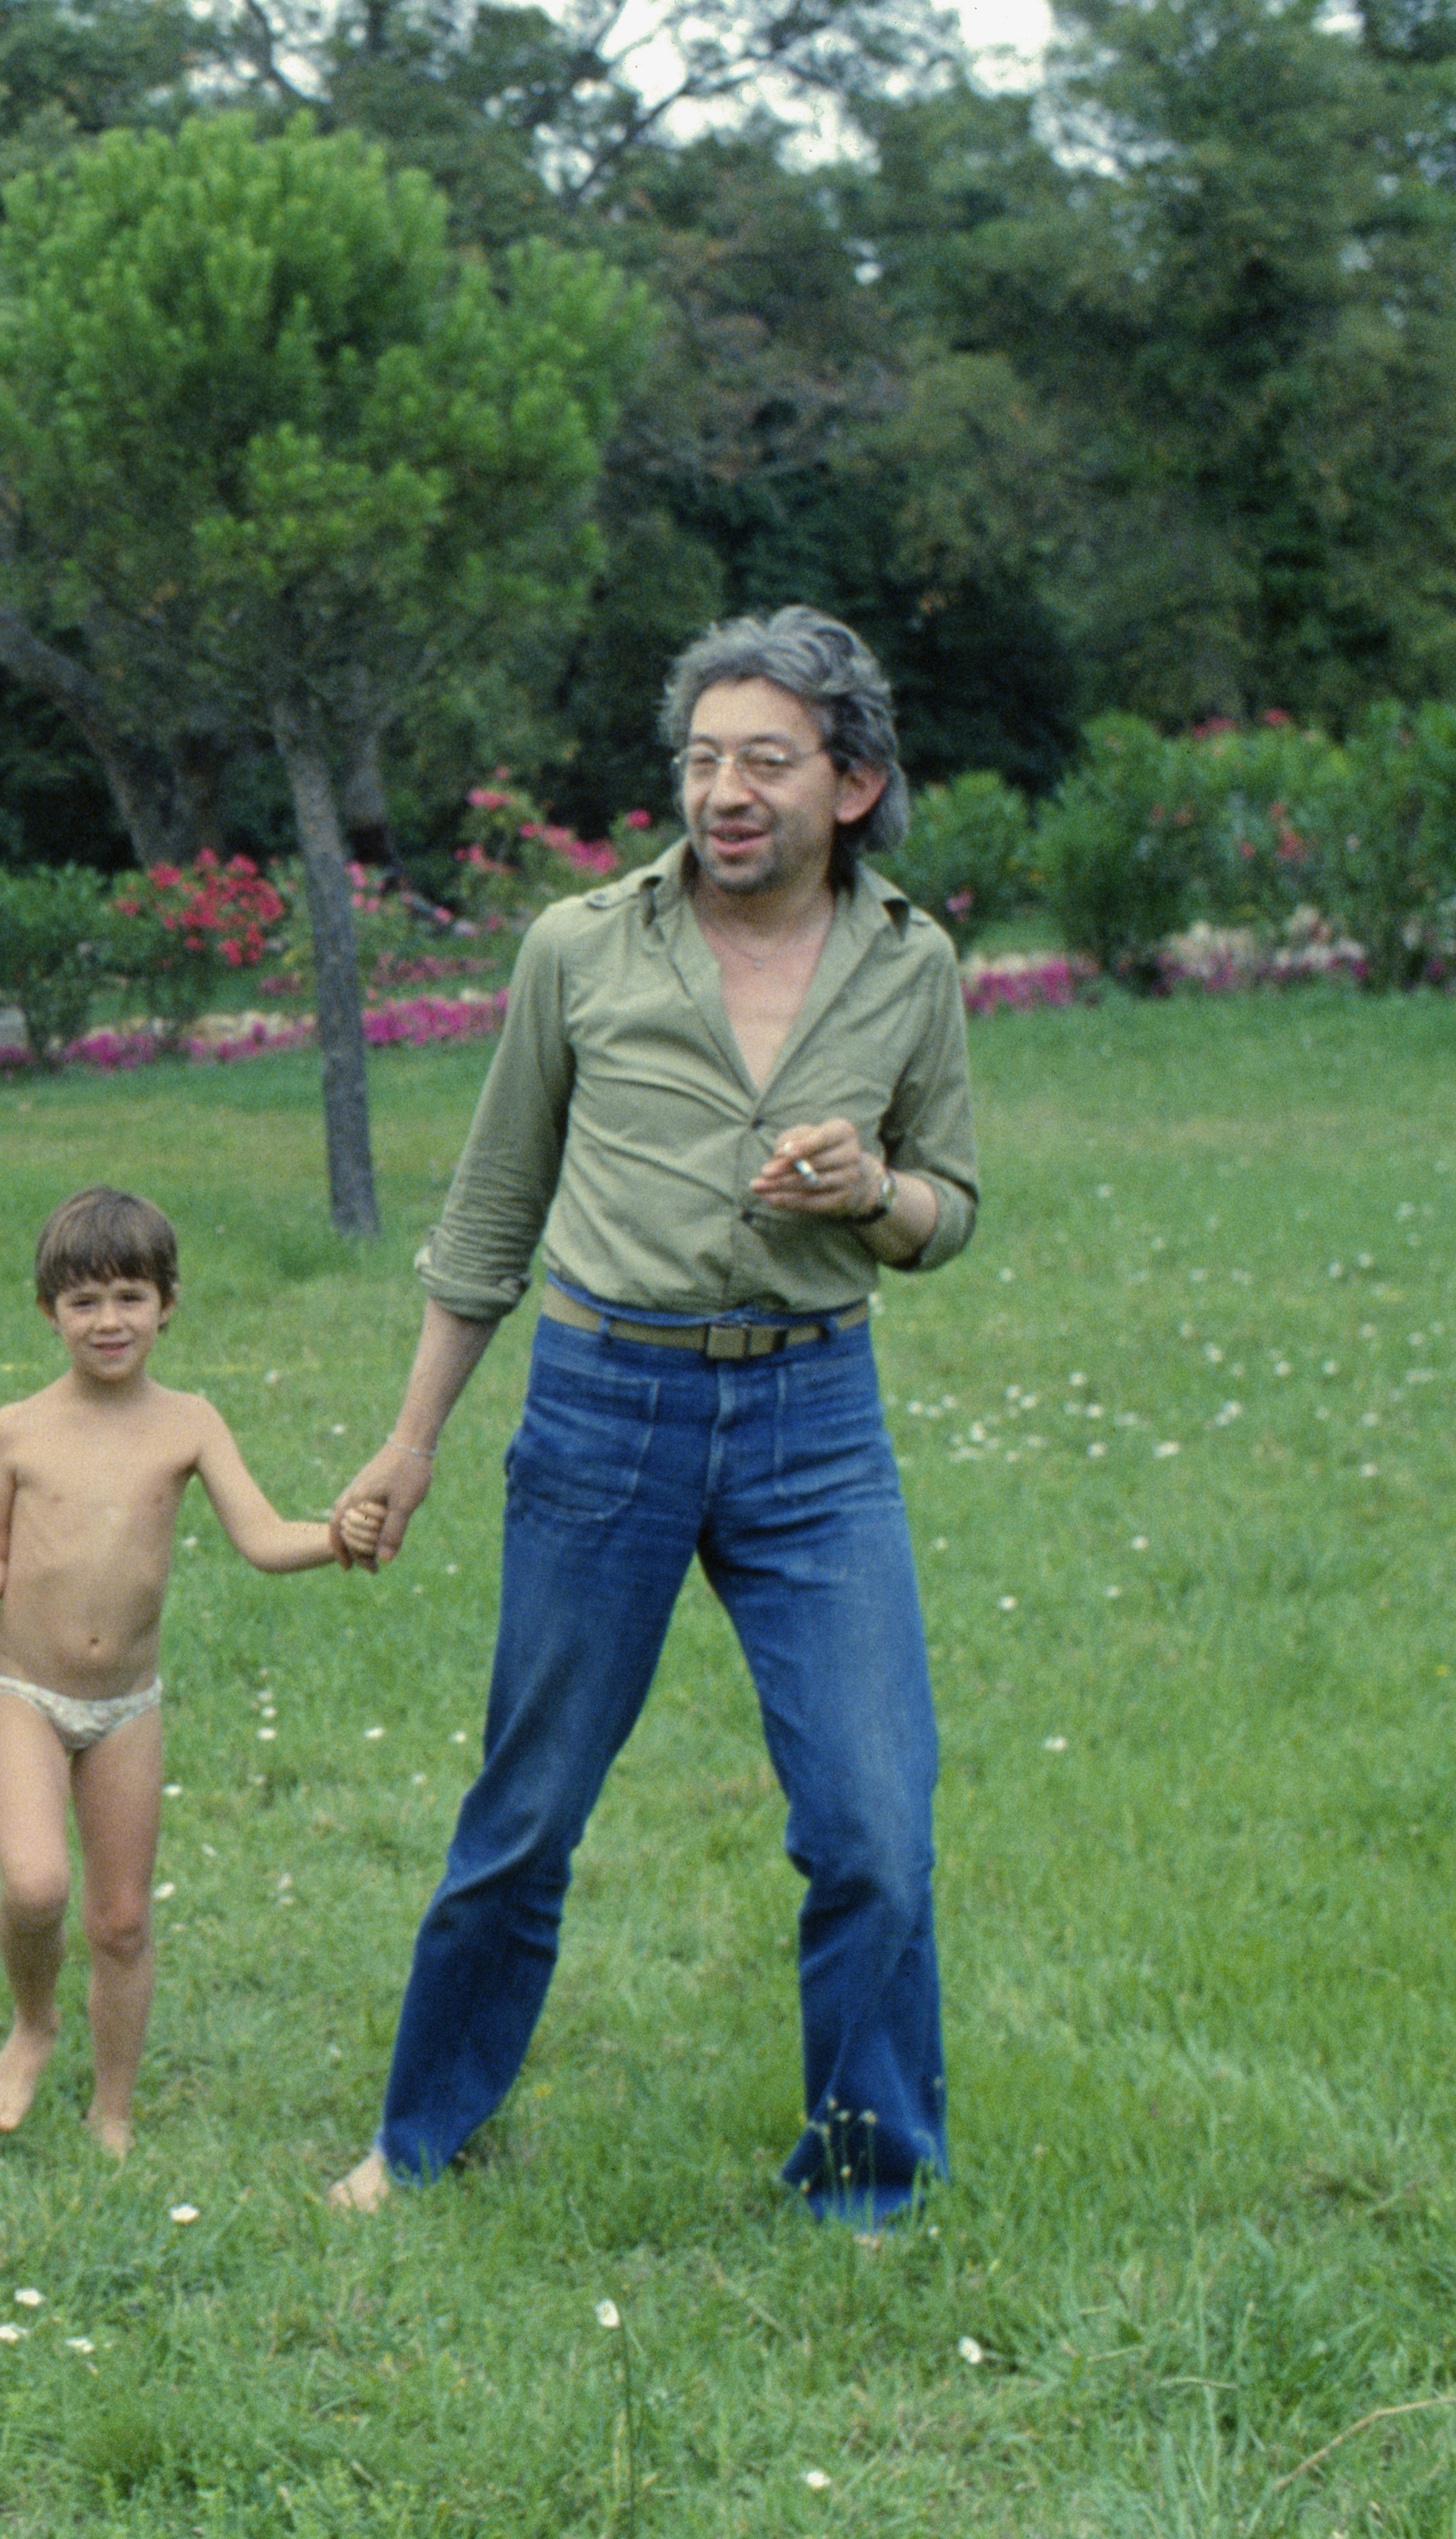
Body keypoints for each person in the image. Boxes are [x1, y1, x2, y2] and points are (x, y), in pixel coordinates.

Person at [323, 606, 979, 2227]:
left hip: (815, 1424)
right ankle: (420, 2140)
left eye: (767, 759)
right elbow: (489, 1211)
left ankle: (867, 2179)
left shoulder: (912, 964)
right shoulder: (580, 948)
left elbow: (951, 1206)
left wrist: (876, 1190)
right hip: (603, 1408)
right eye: (702, 760)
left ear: (853, 782)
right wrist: (411, 1440)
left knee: (874, 1830)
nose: (726, 790)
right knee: (527, 1808)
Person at [0, 1188, 346, 2151]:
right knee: (37, 1887)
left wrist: (341, 1538)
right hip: (23, 1693)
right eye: (83, 1302)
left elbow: (261, 1538)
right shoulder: (15, 1429)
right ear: (47, 1312)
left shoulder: (189, 1422)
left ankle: (114, 2112)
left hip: (127, 1706)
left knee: (124, 1920)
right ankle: (32, 2023)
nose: (108, 1321)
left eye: (129, 1297)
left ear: (167, 1303)